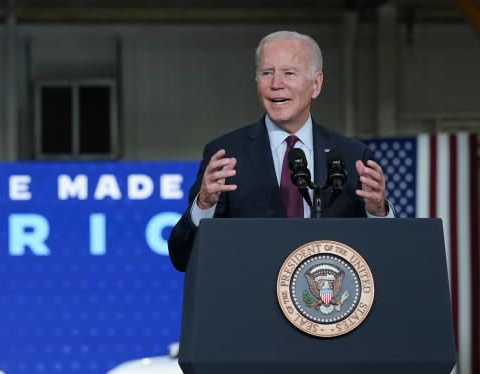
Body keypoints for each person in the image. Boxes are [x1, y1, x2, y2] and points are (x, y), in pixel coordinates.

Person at [168, 30, 394, 272]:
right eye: (267, 73)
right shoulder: (226, 155)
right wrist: (204, 206)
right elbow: (182, 257)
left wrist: (378, 213)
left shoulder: (352, 156)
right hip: (250, 302)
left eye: (289, 73)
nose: (276, 84)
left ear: (315, 84)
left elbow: (387, 257)